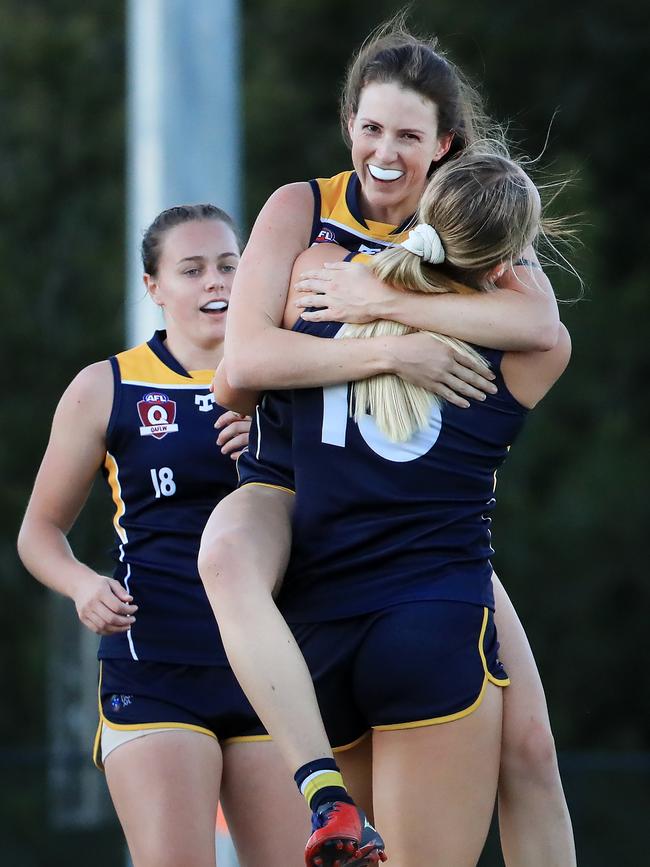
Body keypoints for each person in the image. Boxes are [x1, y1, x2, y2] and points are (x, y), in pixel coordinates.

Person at [199, 19, 575, 867]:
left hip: (408, 529)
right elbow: (241, 365)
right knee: (223, 554)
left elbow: (542, 321)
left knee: (533, 752)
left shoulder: (468, 236)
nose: (385, 150)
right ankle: (321, 791)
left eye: (408, 134)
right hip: (297, 489)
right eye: (371, 127)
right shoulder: (303, 207)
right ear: (348, 125)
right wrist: (390, 349)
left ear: (444, 146)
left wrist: (382, 298)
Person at [17, 204, 310, 867]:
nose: (218, 283)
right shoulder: (107, 387)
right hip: (156, 665)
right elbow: (38, 531)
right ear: (154, 286)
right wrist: (82, 584)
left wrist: (272, 454)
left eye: (230, 265)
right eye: (194, 269)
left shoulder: (286, 383)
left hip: (271, 668)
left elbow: (345, 516)